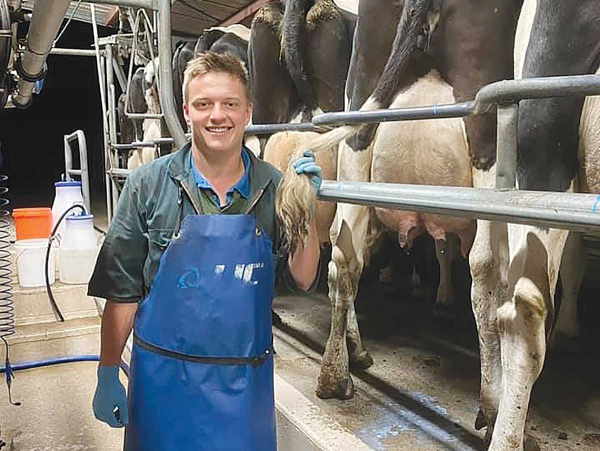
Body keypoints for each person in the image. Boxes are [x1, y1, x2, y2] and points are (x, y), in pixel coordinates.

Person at [88, 51, 322, 451]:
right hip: (162, 387)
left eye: (230, 104)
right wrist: (107, 372)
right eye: (204, 104)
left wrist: (306, 209)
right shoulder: (148, 185)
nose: (218, 115)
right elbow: (122, 294)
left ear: (247, 111)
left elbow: (302, 277)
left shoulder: (274, 187)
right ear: (185, 111)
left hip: (243, 392)